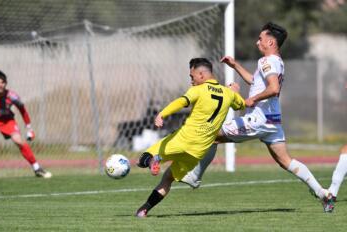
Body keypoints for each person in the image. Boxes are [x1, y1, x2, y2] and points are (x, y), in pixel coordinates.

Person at [181, 22, 335, 213]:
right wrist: (235, 65)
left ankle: (195, 176)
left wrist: (253, 98)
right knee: (285, 161)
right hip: (273, 120)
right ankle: (323, 193)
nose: (257, 42)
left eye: (260, 39)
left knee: (212, 135)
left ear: (270, 42)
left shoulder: (266, 61)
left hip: (260, 119)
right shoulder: (277, 61)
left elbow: (273, 88)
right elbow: (256, 82)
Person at [135, 58, 245, 217]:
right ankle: (143, 210)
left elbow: (181, 101)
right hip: (198, 151)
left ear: (201, 74)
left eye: (192, 76)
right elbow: (241, 104)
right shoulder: (228, 94)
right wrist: (235, 91)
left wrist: (162, 114)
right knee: (168, 178)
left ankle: (153, 160)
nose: (191, 80)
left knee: (142, 159)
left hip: (183, 140)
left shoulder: (199, 90)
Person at [0, 70, 52, 178]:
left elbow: (23, 110)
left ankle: (37, 169)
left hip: (6, 120)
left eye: (2, 82)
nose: (0, 85)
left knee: (19, 141)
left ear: (6, 83)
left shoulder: (12, 96)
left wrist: (29, 128)